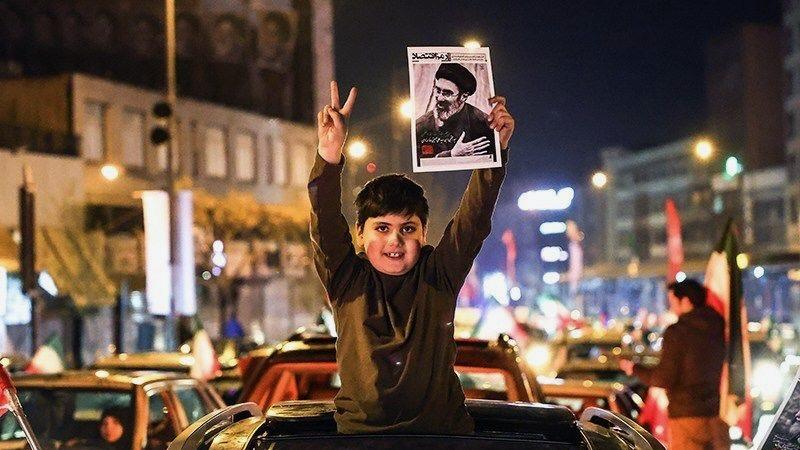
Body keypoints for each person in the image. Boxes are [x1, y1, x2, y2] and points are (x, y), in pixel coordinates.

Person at [309, 80, 514, 433]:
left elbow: (473, 219)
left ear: (424, 233)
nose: (395, 240)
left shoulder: (439, 274)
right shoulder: (347, 279)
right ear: (360, 233)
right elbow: (324, 221)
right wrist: (329, 155)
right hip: (360, 439)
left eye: (408, 229)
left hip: (440, 438)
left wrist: (494, 151)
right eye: (382, 228)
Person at [620, 279, 729, 450]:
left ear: (685, 301)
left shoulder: (677, 332)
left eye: (672, 302)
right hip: (715, 414)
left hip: (686, 417)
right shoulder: (717, 326)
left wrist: (634, 368)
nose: (671, 308)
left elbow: (664, 377)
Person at [415, 63, 494, 158]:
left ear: (464, 97)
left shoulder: (485, 125)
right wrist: (451, 155)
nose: (439, 98)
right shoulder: (420, 127)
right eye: (438, 90)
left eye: (447, 93)